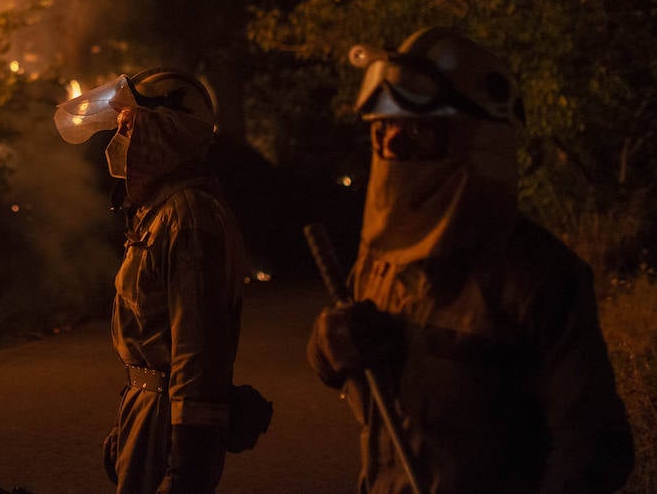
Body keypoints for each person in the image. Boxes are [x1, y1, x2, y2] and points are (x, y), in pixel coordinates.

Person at [308, 27, 634, 493]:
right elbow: (336, 369)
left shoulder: (537, 276)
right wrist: (327, 345)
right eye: (383, 129)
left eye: (419, 130)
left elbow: (595, 444)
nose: (393, 147)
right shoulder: (381, 260)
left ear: (476, 139)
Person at [56, 68, 262, 494]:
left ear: (169, 132)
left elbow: (196, 347)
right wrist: (131, 417)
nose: (120, 138)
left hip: (168, 415)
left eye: (130, 125)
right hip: (150, 409)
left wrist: (187, 458)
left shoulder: (187, 216)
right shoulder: (161, 212)